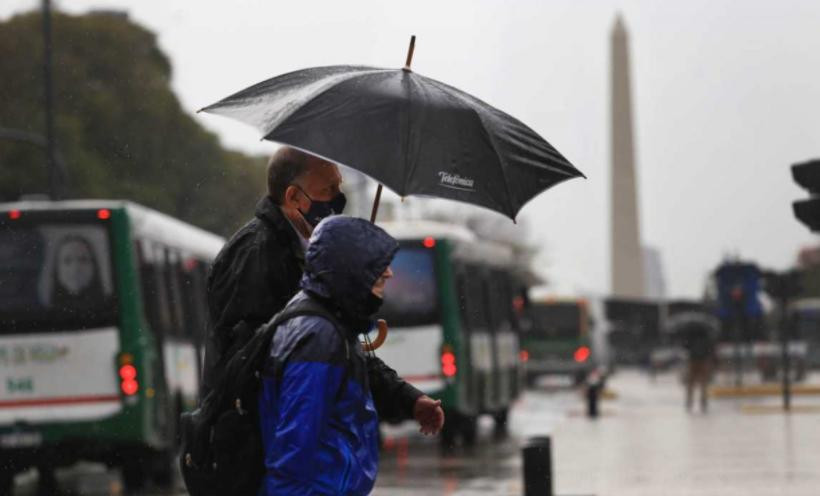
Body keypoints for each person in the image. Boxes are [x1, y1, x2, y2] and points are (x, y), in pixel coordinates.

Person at [203, 146, 443, 430]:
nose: (338, 200)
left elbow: (333, 346)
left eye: (339, 187)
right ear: (293, 198)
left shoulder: (302, 251)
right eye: (329, 190)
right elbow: (265, 362)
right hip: (262, 449)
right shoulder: (257, 255)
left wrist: (407, 399)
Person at [259, 216, 435, 495]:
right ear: (351, 267)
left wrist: (409, 400)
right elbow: (294, 450)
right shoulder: (319, 337)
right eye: (376, 264)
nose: (388, 273)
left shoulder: (330, 321)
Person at [682, 323, 716, 412]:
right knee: (703, 383)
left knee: (691, 383)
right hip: (704, 361)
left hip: (693, 360)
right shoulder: (706, 337)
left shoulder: (691, 337)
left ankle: (689, 402)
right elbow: (710, 348)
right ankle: (703, 401)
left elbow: (686, 347)